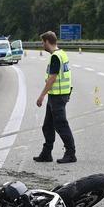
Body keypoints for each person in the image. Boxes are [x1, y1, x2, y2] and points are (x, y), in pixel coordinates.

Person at [34, 31, 76, 163]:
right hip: (56, 95)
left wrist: (41, 96)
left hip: (58, 96)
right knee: (48, 126)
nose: (42, 45)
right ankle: (46, 154)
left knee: (61, 125)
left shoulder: (56, 57)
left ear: (47, 41)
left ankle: (70, 153)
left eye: (42, 42)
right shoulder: (61, 53)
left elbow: (52, 78)